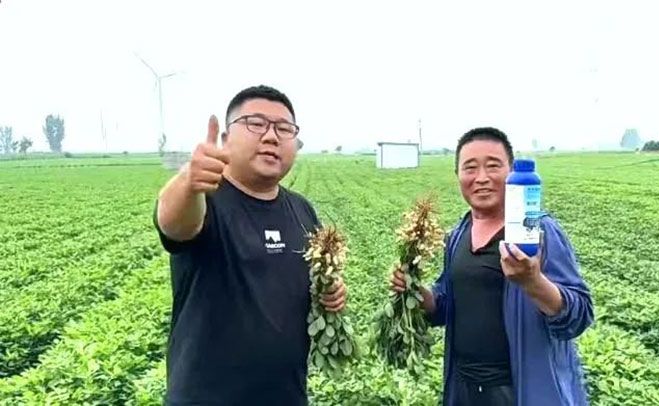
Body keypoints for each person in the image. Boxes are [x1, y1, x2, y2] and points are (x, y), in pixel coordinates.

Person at [153, 85, 346, 405]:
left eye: (284, 129)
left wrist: (330, 293)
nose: (271, 136)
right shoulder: (206, 199)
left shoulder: (302, 210)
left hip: (287, 396)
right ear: (226, 138)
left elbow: (303, 284)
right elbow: (174, 224)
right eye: (256, 124)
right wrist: (189, 182)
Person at [391, 127, 593, 406]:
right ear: (458, 175)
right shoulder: (458, 234)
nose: (482, 177)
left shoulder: (538, 231)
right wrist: (420, 294)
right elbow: (450, 303)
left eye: (493, 166)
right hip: (464, 389)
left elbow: (579, 314)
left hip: (521, 392)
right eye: (470, 167)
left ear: (512, 173)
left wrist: (533, 282)